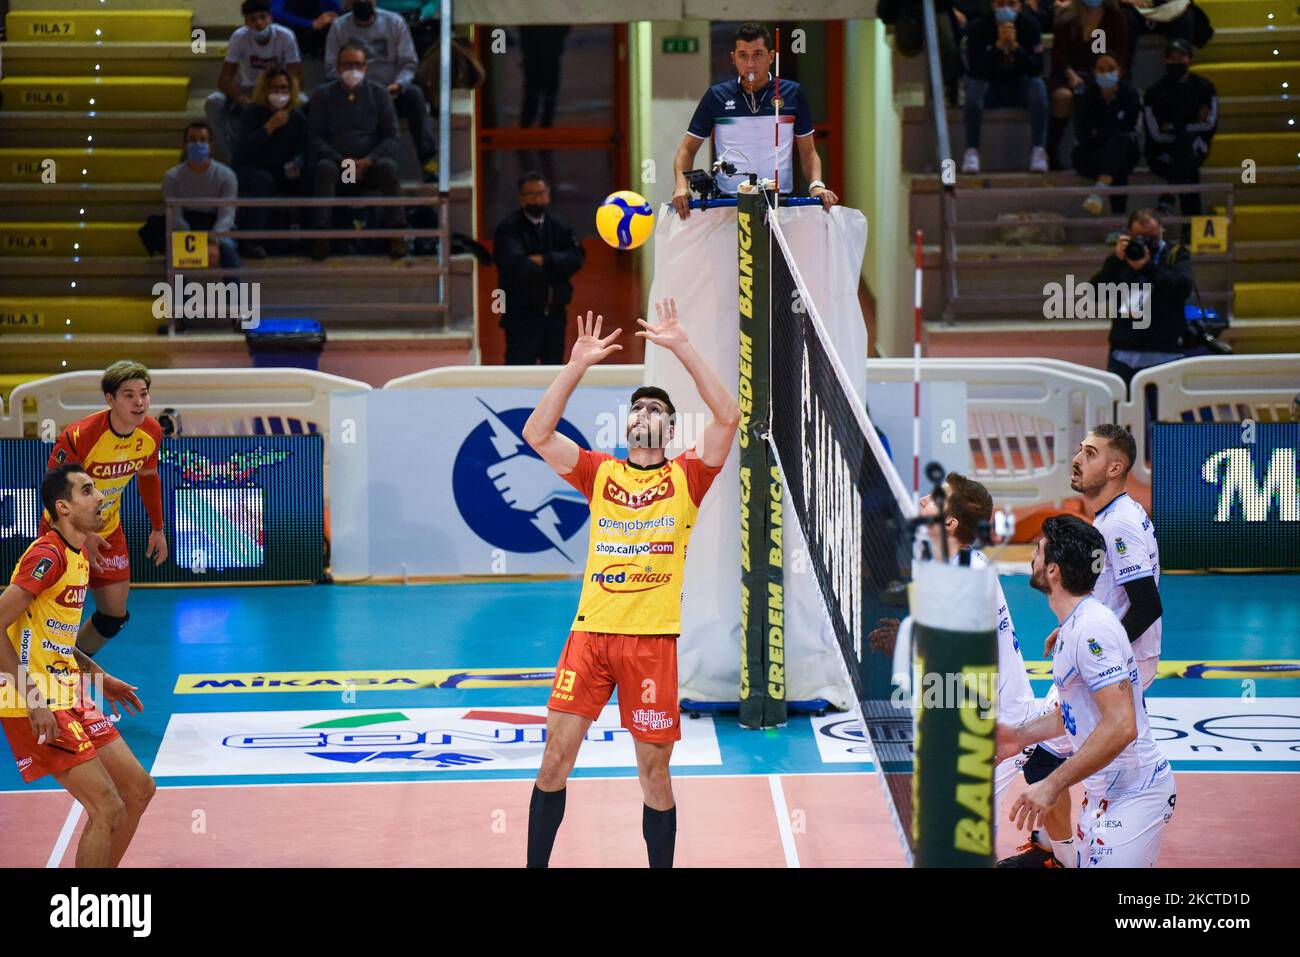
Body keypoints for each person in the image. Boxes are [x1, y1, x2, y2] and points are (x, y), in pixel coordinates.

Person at [522, 300, 741, 868]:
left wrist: (682, 348)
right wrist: (575, 365)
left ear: (668, 427)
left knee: (654, 775)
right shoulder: (600, 472)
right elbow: (536, 432)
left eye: (655, 408)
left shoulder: (687, 478)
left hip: (651, 643)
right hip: (590, 637)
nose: (645, 412)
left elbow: (728, 418)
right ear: (628, 425)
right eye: (637, 407)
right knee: (553, 760)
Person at [1000, 424, 1165, 867]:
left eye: (1089, 453)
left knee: (1047, 763)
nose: (1077, 458)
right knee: (1054, 750)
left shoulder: (1120, 524)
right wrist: (1075, 627)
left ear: (1115, 467)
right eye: (1079, 449)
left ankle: (1062, 856)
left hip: (1119, 658)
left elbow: (1148, 604)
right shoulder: (1112, 515)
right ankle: (1063, 849)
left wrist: (1095, 644)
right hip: (1103, 648)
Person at [0, 466, 156, 867]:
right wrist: (34, 700)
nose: (99, 497)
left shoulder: (80, 553)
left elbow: (58, 638)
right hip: (32, 698)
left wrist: (100, 678)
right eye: (87, 491)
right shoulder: (47, 555)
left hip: (69, 691)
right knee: (107, 807)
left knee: (138, 790)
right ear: (63, 507)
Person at [44, 361, 167, 658]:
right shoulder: (80, 436)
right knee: (54, 615)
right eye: (128, 395)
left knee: (114, 616)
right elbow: (53, 491)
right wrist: (80, 536)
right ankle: (36, 675)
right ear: (110, 399)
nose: (139, 402)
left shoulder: (151, 433)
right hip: (65, 533)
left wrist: (158, 528)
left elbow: (149, 479)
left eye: (144, 393)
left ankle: (67, 667)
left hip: (108, 530)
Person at [671, 22, 838, 219]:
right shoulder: (716, 96)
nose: (750, 63)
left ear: (770, 56)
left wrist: (816, 185)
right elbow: (686, 150)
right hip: (727, 205)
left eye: (758, 54)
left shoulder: (792, 93)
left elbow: (808, 152)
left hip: (779, 203)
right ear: (733, 58)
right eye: (743, 55)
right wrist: (681, 187)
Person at [308, 40, 407, 260]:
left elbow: (392, 136)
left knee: (388, 168)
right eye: (346, 64)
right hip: (339, 167)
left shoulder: (380, 94)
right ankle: (321, 236)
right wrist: (341, 160)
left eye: (357, 64)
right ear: (338, 67)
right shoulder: (323, 95)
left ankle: (396, 234)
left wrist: (369, 159)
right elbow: (314, 137)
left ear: (365, 68)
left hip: (369, 167)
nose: (352, 69)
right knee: (323, 168)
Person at [325, 0, 438, 180]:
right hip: (354, 93)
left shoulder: (394, 22)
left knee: (414, 95)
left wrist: (399, 84)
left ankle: (429, 164)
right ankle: (348, 175)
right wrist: (354, 86)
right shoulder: (339, 27)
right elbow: (331, 69)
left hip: (390, 93)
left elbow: (409, 64)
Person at [1092, 206, 1194, 387]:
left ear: (1162, 230)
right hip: (1123, 355)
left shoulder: (1174, 255)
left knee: (1165, 415)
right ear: (1129, 234)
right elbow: (1096, 295)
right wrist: (1116, 261)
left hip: (1165, 354)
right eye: (1141, 237)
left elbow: (1183, 288)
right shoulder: (1121, 259)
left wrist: (1147, 268)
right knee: (1121, 414)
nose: (1147, 243)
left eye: (1153, 237)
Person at [493, 172, 585, 365]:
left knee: (554, 374)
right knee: (520, 374)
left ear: (548, 194)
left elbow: (576, 258)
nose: (537, 198)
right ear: (521, 198)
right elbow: (516, 267)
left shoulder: (559, 225)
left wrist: (545, 259)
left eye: (541, 193)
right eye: (531, 194)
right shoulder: (509, 229)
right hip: (521, 318)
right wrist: (557, 272)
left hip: (555, 316)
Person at [206, 0, 303, 163]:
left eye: (262, 17)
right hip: (249, 89)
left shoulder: (285, 36)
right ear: (245, 21)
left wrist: (284, 95)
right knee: (213, 101)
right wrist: (242, 99)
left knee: (304, 102)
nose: (259, 23)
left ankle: (294, 159)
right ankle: (232, 157)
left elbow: (296, 76)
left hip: (278, 89)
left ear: (271, 18)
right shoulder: (239, 37)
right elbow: (224, 80)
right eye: (252, 19)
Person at [961, 0, 1050, 174]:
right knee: (973, 88)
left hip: (1019, 86)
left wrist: (1016, 48)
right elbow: (975, 70)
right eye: (1000, 4)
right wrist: (998, 47)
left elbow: (1037, 67)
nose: (1006, 9)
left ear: (1019, 6)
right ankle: (971, 151)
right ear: (992, 5)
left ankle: (1039, 150)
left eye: (1011, 4)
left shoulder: (1030, 25)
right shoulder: (978, 27)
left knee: (1038, 86)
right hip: (990, 88)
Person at [233, 67, 309, 259]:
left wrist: (297, 163)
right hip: (252, 169)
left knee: (312, 175)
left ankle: (310, 239)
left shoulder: (297, 116)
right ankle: (252, 241)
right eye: (274, 88)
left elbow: (304, 148)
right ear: (266, 90)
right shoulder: (253, 112)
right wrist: (269, 127)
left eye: (284, 88)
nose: (279, 93)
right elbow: (244, 149)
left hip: (283, 170)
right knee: (262, 180)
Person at [1047, 0, 1129, 170]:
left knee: (1103, 91)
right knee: (1063, 96)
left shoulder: (1114, 17)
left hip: (1100, 72)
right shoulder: (1066, 16)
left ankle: (1098, 152)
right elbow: (1059, 55)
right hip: (1067, 74)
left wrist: (1108, 75)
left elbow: (1121, 53)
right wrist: (1071, 75)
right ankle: (1051, 149)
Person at [1143, 38, 1218, 220]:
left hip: (1195, 147)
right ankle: (1191, 228)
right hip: (1162, 153)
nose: (1176, 62)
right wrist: (1186, 130)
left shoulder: (1205, 88)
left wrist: (1175, 128)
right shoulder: (1154, 92)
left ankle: (1169, 196)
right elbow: (1156, 134)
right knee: (1187, 161)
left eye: (1181, 57)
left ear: (1190, 60)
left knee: (1187, 147)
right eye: (1172, 58)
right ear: (1165, 60)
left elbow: (1209, 125)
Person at [164, 122, 241, 272]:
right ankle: (181, 296)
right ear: (184, 145)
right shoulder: (171, 177)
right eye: (192, 140)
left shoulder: (226, 175)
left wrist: (213, 241)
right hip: (187, 226)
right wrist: (193, 242)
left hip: (217, 225)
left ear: (210, 145)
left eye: (202, 139)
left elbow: (227, 214)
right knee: (173, 254)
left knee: (228, 248)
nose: (197, 144)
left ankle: (233, 296)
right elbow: (176, 217)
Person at [1072, 53, 1141, 215]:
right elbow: (1083, 135)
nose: (1106, 73)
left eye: (1111, 69)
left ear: (1120, 71)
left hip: (1123, 151)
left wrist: (1102, 133)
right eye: (1101, 69)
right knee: (1117, 163)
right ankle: (1117, 224)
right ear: (1094, 73)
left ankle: (1099, 192)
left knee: (1120, 147)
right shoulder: (1086, 95)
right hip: (1090, 156)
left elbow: (1132, 133)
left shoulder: (1130, 94)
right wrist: (1111, 132)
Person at [1119, 0, 1198, 75]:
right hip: (1132, 9)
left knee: (1185, 16)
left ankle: (1180, 74)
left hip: (1168, 7)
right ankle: (1122, 73)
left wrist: (1151, 3)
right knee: (1123, 18)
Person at [517, 25, 570, 128]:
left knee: (533, 96)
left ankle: (527, 129)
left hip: (535, 53)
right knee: (547, 96)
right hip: (549, 53)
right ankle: (540, 128)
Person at [271, 0, 339, 59]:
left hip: (321, 34)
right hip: (294, 33)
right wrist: (310, 24)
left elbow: (335, 10)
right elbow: (275, 12)